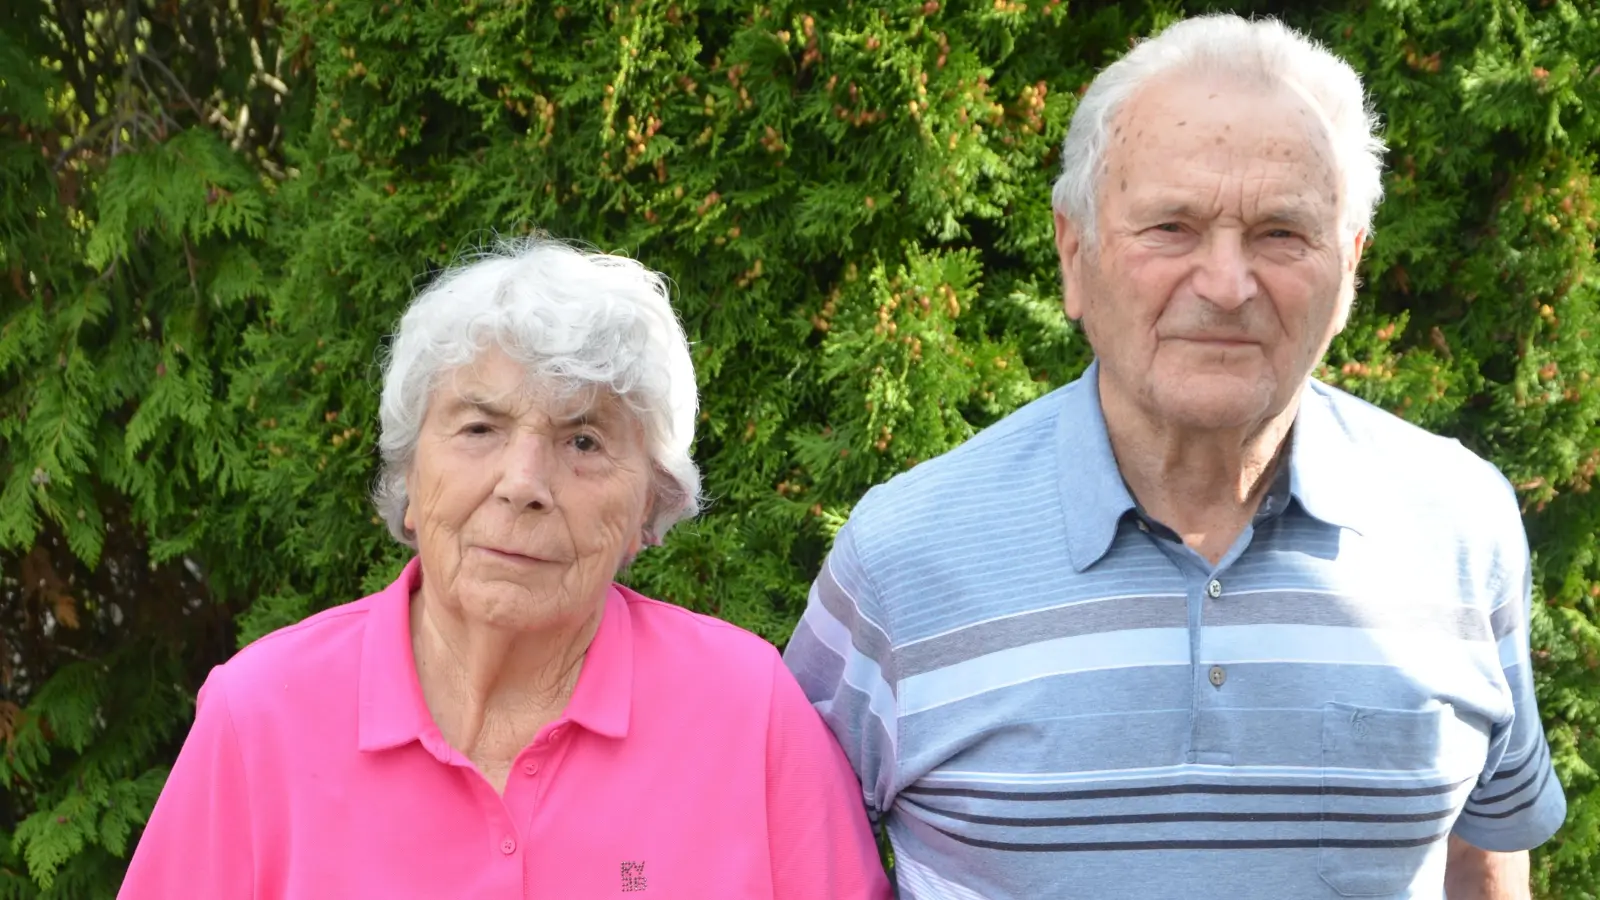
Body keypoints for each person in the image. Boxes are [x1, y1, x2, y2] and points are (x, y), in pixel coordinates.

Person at [784, 14, 1564, 900]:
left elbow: (1481, 856)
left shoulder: (1462, 523)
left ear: (1349, 269)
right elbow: (792, 854)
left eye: (1281, 233)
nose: (1227, 286)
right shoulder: (901, 559)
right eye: (1170, 227)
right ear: (1073, 255)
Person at [120, 238, 891, 899]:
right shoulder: (259, 718)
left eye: (583, 441)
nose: (523, 482)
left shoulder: (749, 712)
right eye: (480, 426)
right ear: (409, 481)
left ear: (647, 511)